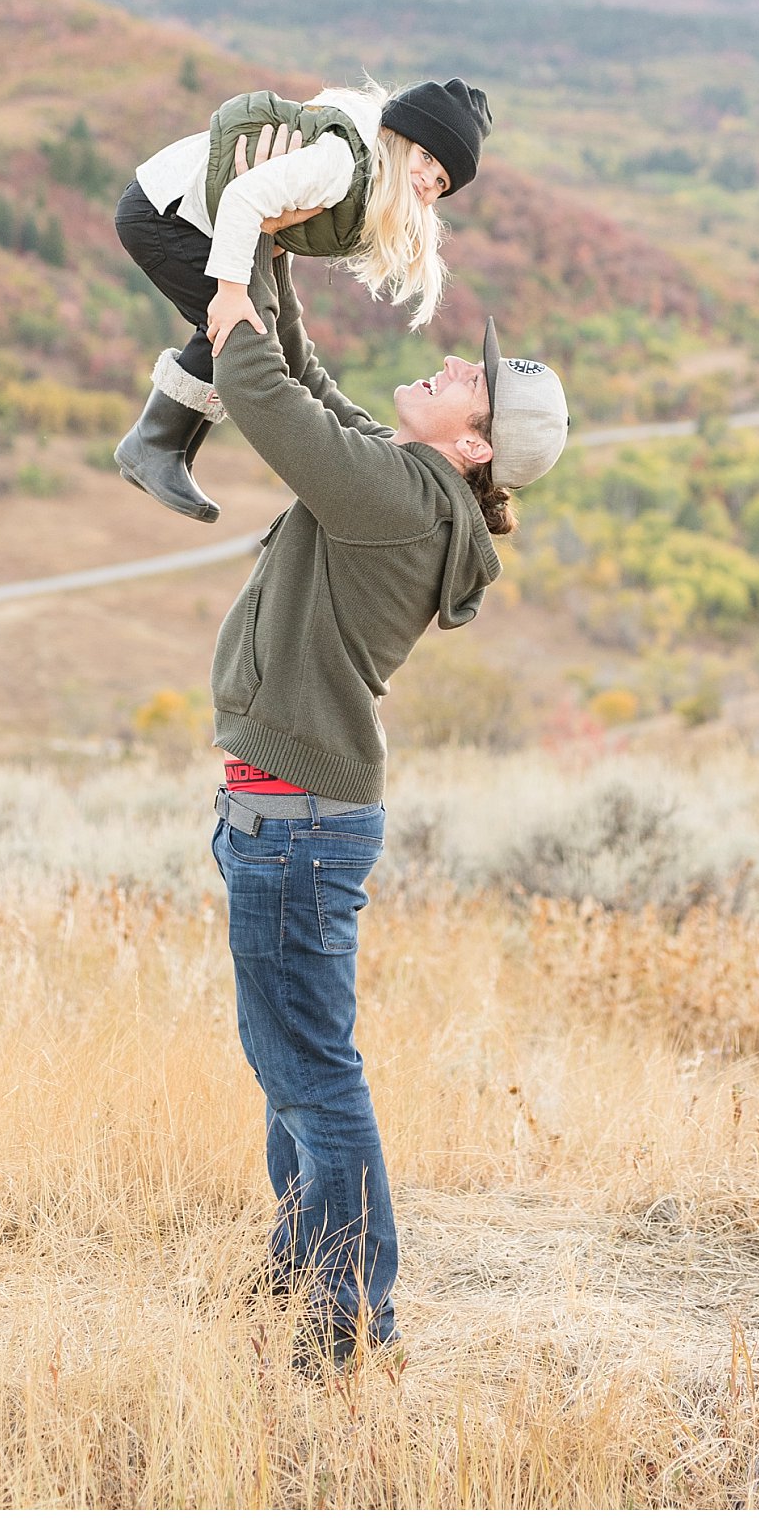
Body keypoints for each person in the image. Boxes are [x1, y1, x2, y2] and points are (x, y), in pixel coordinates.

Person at [206, 233, 569, 1374]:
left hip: (296, 823)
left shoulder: (405, 501)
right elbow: (309, 379)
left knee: (312, 1073)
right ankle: (300, 1276)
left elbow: (262, 394)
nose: (458, 357)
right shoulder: (408, 480)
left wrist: (223, 283)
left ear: (472, 444)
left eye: (474, 376)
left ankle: (354, 1318)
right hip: (288, 816)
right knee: (290, 1066)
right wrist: (266, 266)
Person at [112, 76, 492, 522]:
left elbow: (280, 216)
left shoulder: (369, 182)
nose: (428, 179)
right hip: (166, 215)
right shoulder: (342, 164)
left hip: (191, 219)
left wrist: (270, 251)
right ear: (398, 137)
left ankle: (169, 450)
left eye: (441, 181)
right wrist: (232, 292)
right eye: (426, 157)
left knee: (248, 329)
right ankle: (153, 445)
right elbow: (242, 197)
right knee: (236, 329)